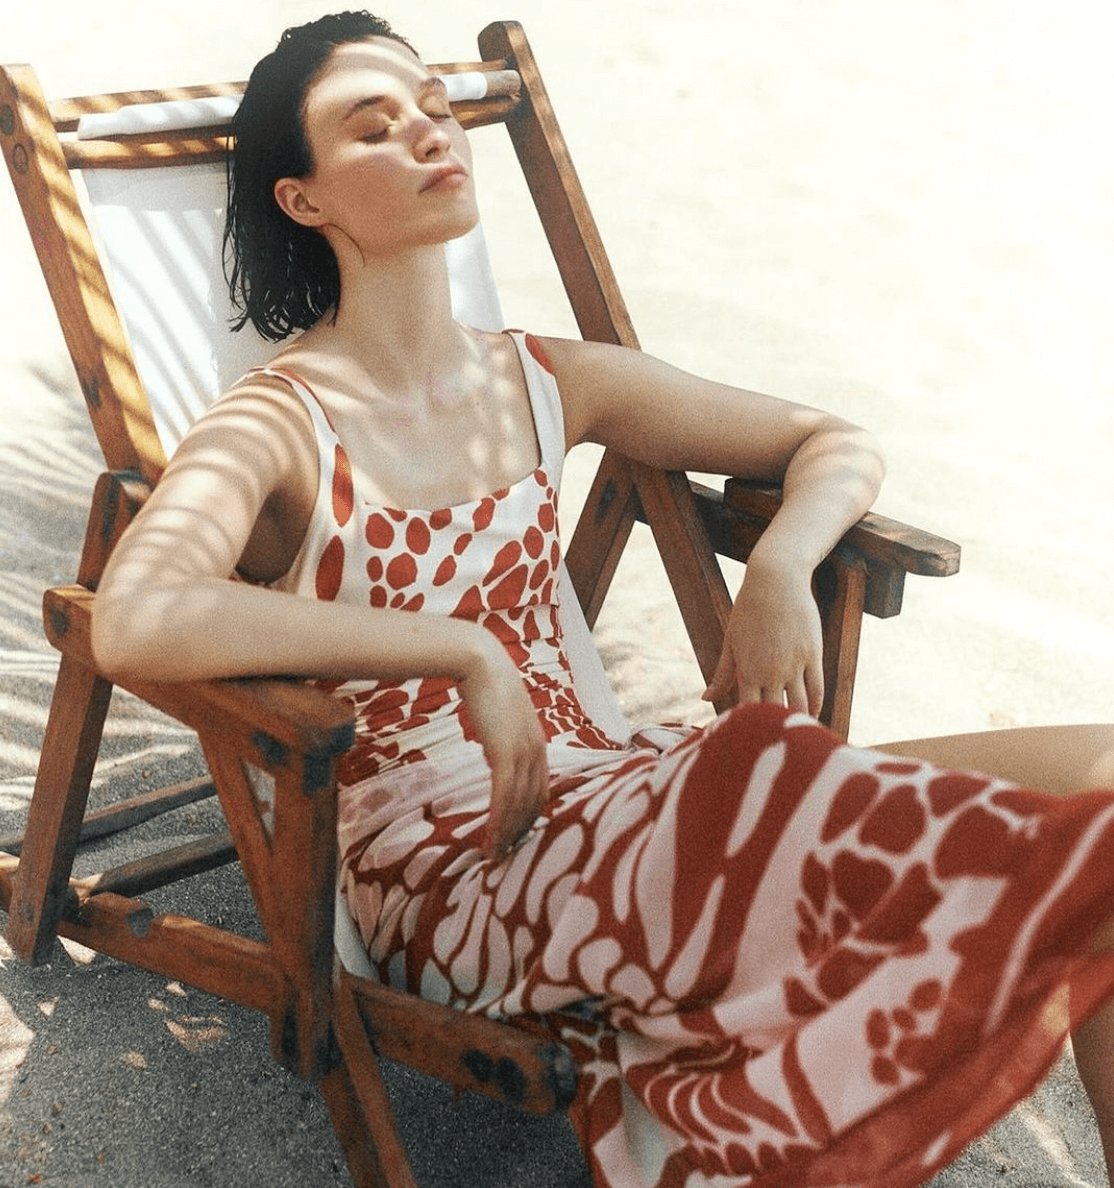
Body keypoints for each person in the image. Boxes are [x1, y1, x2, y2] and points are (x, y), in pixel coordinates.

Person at [90, 11, 1114, 1187]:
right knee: (811, 790)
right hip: (458, 873)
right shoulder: (277, 422)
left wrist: (779, 564)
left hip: (631, 803)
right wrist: (461, 649)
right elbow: (135, 613)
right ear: (304, 201)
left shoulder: (544, 380)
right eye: (374, 128)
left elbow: (832, 439)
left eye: (432, 107)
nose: (427, 134)